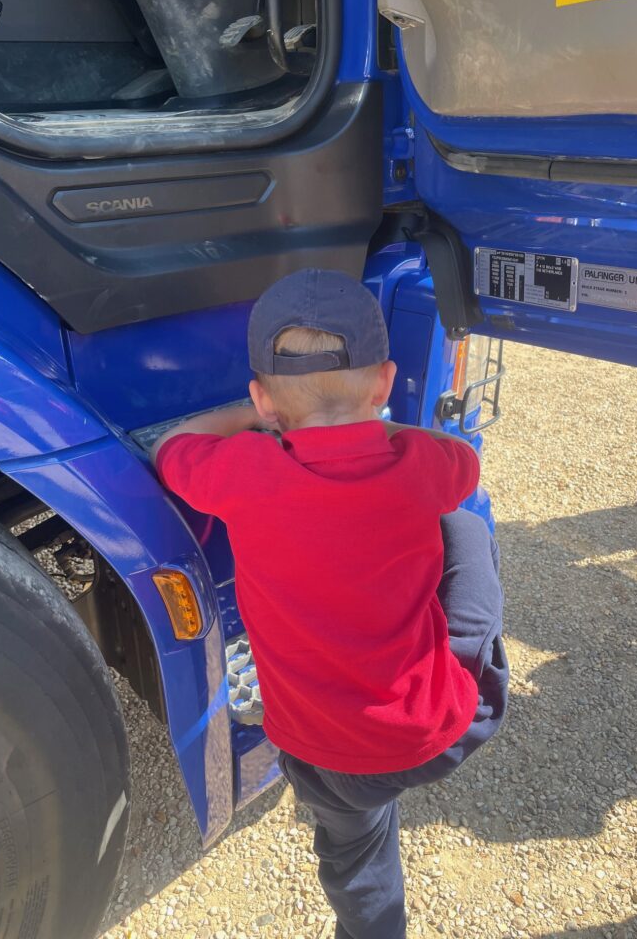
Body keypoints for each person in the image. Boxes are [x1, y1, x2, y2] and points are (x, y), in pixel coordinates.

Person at [151, 268, 508, 939]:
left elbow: (174, 448)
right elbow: (464, 461)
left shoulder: (243, 474)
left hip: (314, 750)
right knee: (465, 529)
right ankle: (457, 664)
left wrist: (251, 422)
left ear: (262, 398)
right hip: (430, 734)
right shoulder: (418, 464)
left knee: (355, 848)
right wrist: (392, 430)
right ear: (382, 382)